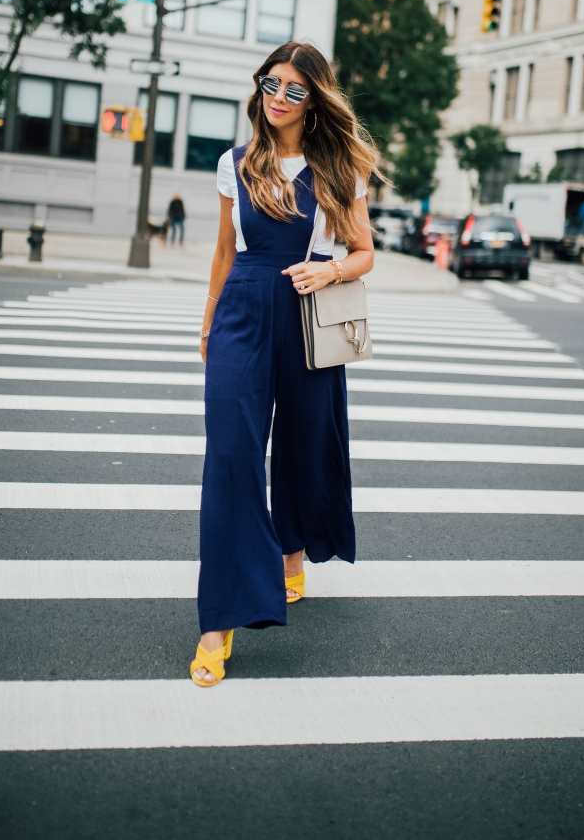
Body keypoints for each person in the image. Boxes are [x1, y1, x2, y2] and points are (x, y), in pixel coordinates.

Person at [190, 41, 380, 687]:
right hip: (242, 311)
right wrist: (209, 319)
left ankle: (293, 549)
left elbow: (363, 253)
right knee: (230, 456)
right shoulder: (234, 163)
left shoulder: (336, 167)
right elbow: (222, 249)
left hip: (306, 314)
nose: (278, 97)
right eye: (271, 83)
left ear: (315, 98)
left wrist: (329, 268)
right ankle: (219, 620)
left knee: (301, 447)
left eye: (295, 89)